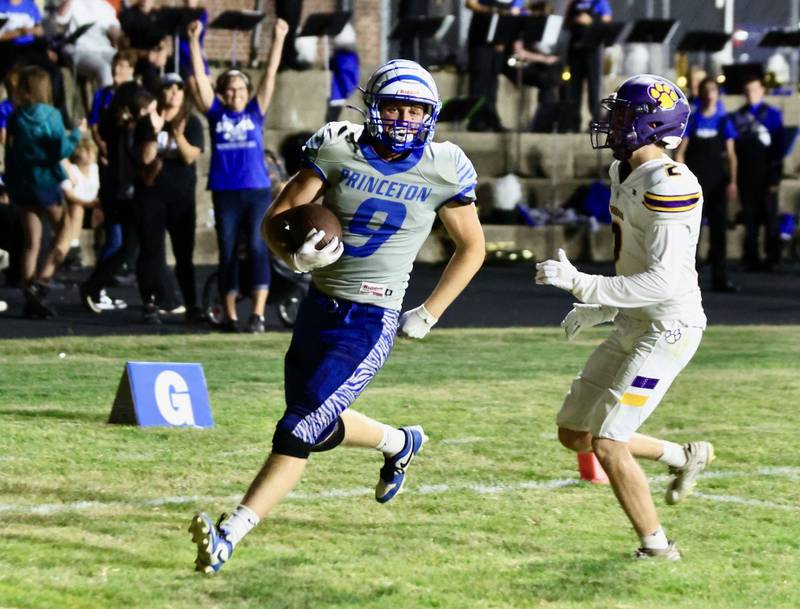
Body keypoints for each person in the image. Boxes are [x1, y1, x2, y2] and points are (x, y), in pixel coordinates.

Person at [188, 59, 486, 575]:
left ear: (430, 115)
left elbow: (473, 247)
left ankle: (229, 535)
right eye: (394, 106)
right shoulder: (337, 146)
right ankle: (400, 441)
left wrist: (430, 312)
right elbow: (274, 222)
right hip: (317, 307)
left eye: (415, 110)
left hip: (371, 318)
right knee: (317, 423)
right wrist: (292, 255)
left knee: (298, 428)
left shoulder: (444, 166)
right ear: (373, 107)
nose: (403, 119)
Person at [536, 74, 715, 560]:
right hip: (635, 321)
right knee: (573, 433)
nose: (612, 123)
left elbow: (665, 283)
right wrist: (603, 308)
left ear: (653, 126)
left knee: (610, 441)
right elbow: (634, 264)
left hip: (669, 328)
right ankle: (683, 456)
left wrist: (582, 284)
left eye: (623, 116)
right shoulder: (624, 173)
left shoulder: (672, 185)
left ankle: (657, 548)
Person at [187, 17, 287, 333]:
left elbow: (270, 74)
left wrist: (279, 38)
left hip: (256, 189)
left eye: (240, 89)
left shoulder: (255, 111)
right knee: (228, 251)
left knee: (259, 248)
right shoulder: (216, 114)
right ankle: (229, 314)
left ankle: (257, 314)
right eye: (229, 91)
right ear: (223, 94)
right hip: (225, 191)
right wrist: (194, 42)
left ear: (247, 91)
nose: (235, 95)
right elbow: (200, 78)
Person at [5, 66, 81, 317]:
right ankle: (42, 281)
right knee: (65, 231)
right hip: (46, 181)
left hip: (22, 183)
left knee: (32, 242)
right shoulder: (50, 115)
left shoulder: (16, 117)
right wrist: (77, 134)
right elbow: (60, 150)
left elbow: (10, 153)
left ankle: (29, 295)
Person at [132, 72, 204, 323]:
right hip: (151, 195)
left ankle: (193, 305)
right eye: (168, 88)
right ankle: (149, 302)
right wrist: (154, 132)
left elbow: (189, 156)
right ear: (159, 93)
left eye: (178, 88)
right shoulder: (146, 123)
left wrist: (177, 134)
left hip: (182, 196)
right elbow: (145, 158)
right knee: (151, 249)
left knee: (184, 253)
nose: (173, 92)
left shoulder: (191, 122)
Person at [675, 77, 738, 292]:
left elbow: (731, 155)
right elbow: (680, 153)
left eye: (713, 90)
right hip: (696, 185)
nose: (710, 94)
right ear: (701, 94)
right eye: (706, 90)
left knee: (719, 233)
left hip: (718, 185)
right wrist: (679, 178)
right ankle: (687, 282)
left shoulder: (723, 122)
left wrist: (732, 182)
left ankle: (720, 279)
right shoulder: (693, 121)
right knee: (693, 234)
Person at [729, 75, 784, 271]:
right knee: (749, 218)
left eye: (754, 89)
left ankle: (773, 258)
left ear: (762, 91)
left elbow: (779, 148)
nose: (751, 94)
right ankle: (750, 257)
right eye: (747, 90)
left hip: (766, 173)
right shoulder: (736, 116)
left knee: (770, 217)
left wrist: (776, 176)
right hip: (745, 173)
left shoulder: (773, 114)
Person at [465, 0, 523, 132]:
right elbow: (470, 3)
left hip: (500, 37)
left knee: (493, 78)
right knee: (480, 77)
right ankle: (476, 119)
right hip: (481, 34)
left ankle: (491, 118)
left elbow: (516, 9)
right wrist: (490, 10)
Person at [563, 0, 612, 133]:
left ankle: (596, 123)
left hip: (593, 50)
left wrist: (591, 22)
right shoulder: (574, 3)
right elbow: (566, 24)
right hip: (575, 49)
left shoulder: (599, 2)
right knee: (573, 89)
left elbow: (607, 20)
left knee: (594, 88)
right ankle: (572, 123)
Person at [54, 0, 121, 88]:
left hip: (103, 48)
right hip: (79, 49)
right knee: (103, 67)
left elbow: (115, 29)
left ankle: (125, 98)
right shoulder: (73, 3)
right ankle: (106, 100)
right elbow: (59, 19)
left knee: (123, 62)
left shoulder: (105, 7)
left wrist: (115, 33)